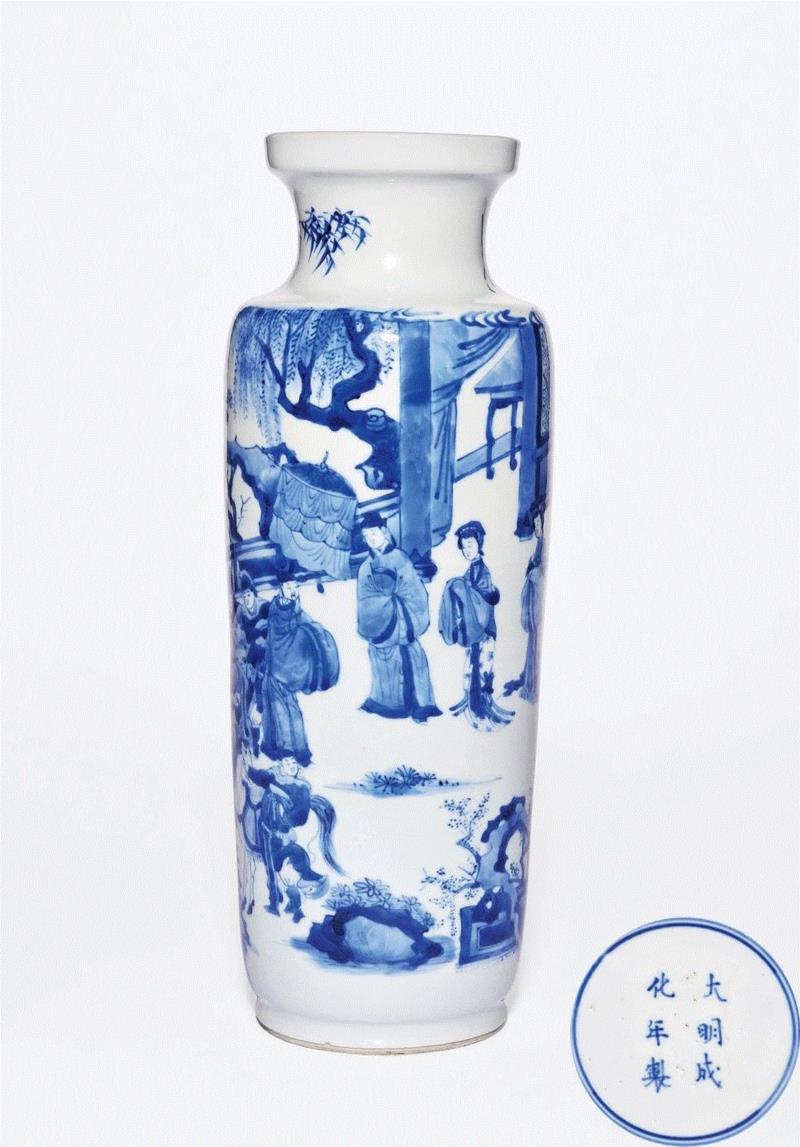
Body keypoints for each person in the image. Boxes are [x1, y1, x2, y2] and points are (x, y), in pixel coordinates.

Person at [357, 511, 441, 723]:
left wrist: (395, 604)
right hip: (380, 627)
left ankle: (419, 706)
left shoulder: (399, 558)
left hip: (403, 623)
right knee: (384, 665)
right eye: (367, 535)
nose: (371, 539)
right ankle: (386, 703)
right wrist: (381, 606)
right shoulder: (365, 567)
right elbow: (365, 599)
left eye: (374, 533)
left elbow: (413, 592)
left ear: (384, 531)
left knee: (411, 660)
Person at [258, 561, 339, 765]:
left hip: (287, 669)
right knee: (279, 710)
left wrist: (320, 638)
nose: (293, 590)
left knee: (292, 709)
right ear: (281, 588)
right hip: (276, 668)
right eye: (289, 587)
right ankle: (285, 750)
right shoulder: (276, 611)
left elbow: (308, 624)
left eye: (295, 587)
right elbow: (278, 638)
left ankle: (300, 751)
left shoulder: (295, 608)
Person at [439, 520, 514, 731]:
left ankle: (482, 707)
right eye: (464, 546)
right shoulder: (470, 571)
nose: (467, 550)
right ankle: (472, 703)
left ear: (479, 544)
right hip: (475, 631)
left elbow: (479, 600)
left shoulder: (483, 571)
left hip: (484, 630)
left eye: (470, 544)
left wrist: (460, 587)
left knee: (482, 669)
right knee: (471, 668)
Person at [504, 512, 545, 703]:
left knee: (534, 642)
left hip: (535, 602)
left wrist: (533, 572)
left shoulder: (543, 545)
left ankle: (530, 684)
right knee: (531, 643)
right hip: (532, 599)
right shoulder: (538, 545)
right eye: (535, 524)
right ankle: (527, 679)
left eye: (539, 523)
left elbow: (540, 573)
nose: (537, 527)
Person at [232, 572, 269, 756]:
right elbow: (238, 638)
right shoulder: (241, 613)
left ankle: (260, 739)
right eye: (243, 595)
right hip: (248, 662)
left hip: (263, 660)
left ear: (254, 594)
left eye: (249, 594)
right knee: (247, 703)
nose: (246, 598)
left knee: (260, 702)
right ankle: (253, 742)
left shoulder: (264, 607)